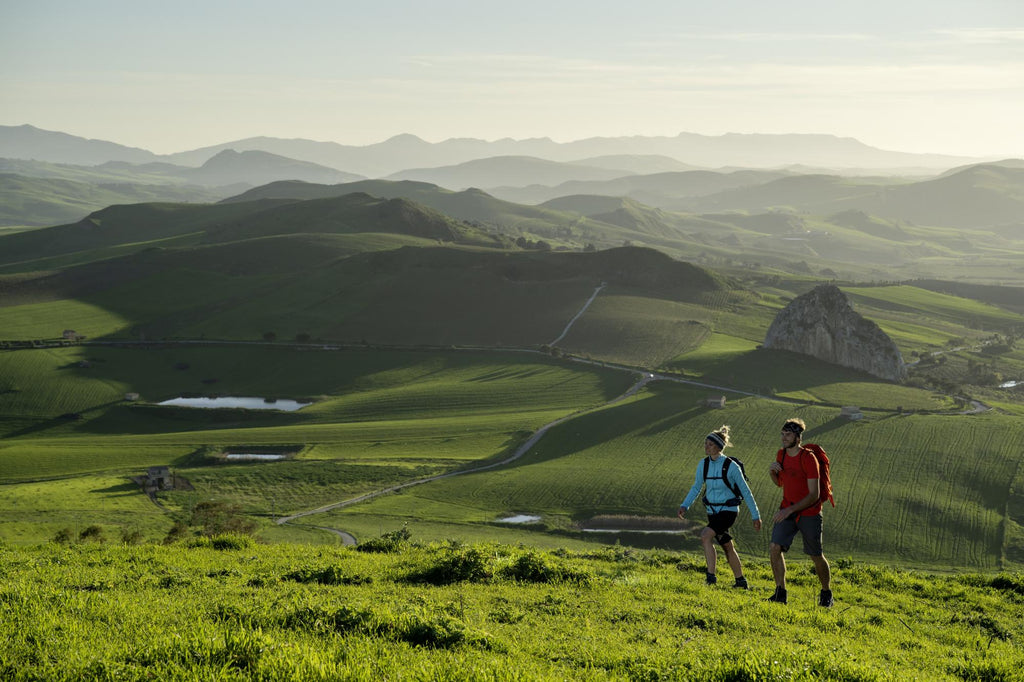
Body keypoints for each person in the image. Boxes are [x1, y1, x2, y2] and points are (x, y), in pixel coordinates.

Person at [678, 426, 762, 588]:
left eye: (709, 444)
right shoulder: (703, 464)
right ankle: (741, 581)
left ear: (718, 446)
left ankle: (710, 578)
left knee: (705, 536)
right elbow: (696, 487)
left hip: (728, 512)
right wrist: (684, 505)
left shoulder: (731, 466)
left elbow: (746, 491)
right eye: (705, 443)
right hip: (712, 511)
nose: (706, 446)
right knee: (726, 545)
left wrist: (755, 515)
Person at [766, 418, 833, 607]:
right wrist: (772, 473)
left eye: (788, 434)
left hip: (809, 512)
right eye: (782, 434)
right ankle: (780, 593)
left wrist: (789, 510)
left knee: (816, 555)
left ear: (798, 437)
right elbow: (781, 483)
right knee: (774, 547)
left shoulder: (808, 458)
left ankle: (826, 593)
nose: (784, 438)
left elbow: (814, 495)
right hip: (787, 509)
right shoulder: (782, 455)